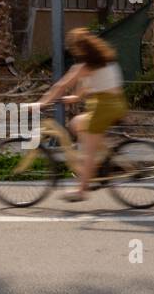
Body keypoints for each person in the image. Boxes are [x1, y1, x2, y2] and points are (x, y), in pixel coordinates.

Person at [36, 28, 128, 201]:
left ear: (78, 49)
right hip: (114, 104)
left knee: (87, 149)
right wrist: (74, 98)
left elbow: (60, 86)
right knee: (76, 123)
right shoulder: (105, 60)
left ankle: (81, 190)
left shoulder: (84, 66)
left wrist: (41, 103)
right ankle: (107, 163)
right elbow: (88, 87)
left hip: (103, 108)